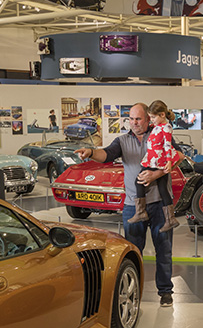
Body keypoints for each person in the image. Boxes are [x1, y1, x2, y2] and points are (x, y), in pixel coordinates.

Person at [75, 102, 176, 307]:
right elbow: (107, 154)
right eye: (131, 118)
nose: (134, 122)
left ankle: (165, 292)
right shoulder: (122, 140)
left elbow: (178, 155)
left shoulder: (159, 132)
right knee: (132, 253)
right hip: (133, 206)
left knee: (164, 251)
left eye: (138, 119)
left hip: (159, 205)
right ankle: (132, 292)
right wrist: (91, 152)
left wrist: (156, 174)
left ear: (148, 119)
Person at [127, 101, 180, 231]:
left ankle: (141, 212)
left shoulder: (166, 127)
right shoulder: (157, 126)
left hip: (158, 160)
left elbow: (167, 145)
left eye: (153, 117)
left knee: (139, 181)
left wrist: (168, 161)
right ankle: (170, 219)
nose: (152, 120)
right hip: (153, 158)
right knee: (163, 189)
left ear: (162, 114)